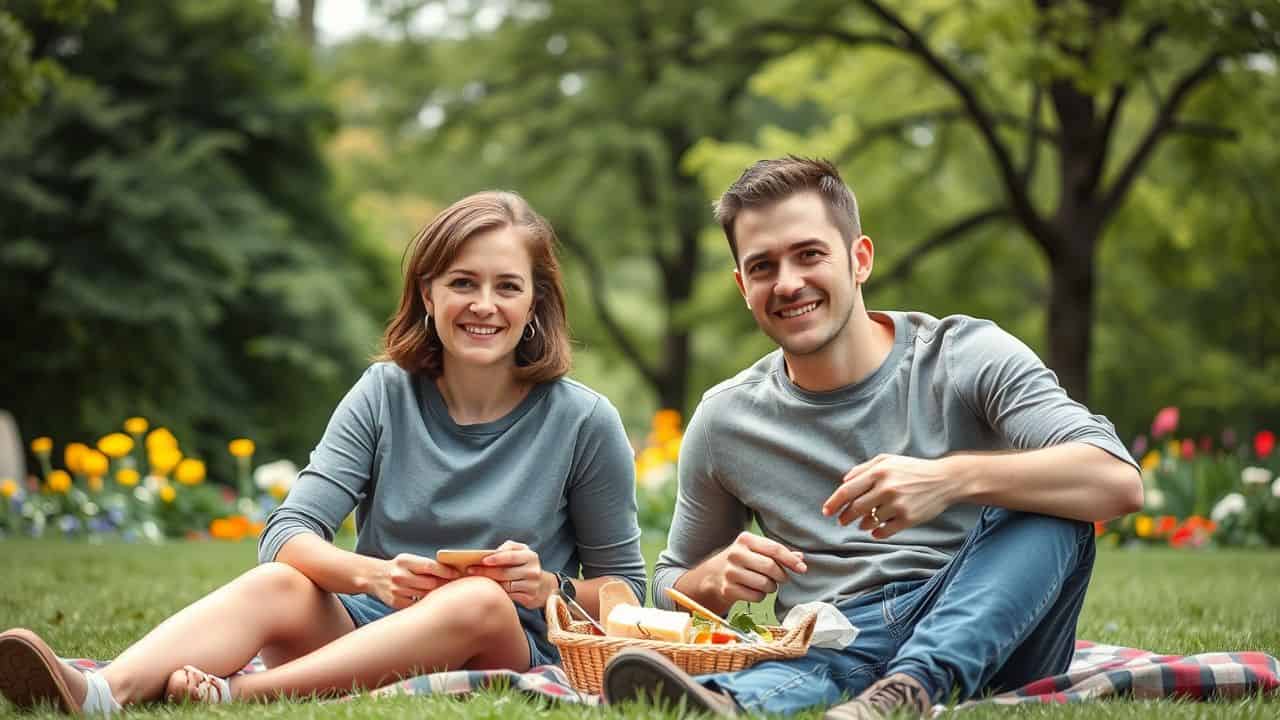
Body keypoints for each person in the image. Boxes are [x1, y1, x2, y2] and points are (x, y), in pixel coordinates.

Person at [0, 191, 646, 714]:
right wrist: (372, 576)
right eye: (461, 283)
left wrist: (547, 587)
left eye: (507, 286)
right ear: (428, 294)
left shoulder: (583, 420)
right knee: (279, 581)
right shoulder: (383, 393)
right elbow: (285, 533)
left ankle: (236, 695)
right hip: (362, 632)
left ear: (536, 301)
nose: (483, 305)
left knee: (478, 599)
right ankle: (100, 694)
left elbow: (627, 595)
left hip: (500, 642)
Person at [601, 157, 1142, 719]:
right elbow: (666, 585)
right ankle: (731, 703)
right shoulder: (726, 419)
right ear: (743, 286)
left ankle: (911, 685)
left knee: (1049, 508)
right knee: (823, 654)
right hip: (837, 634)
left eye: (810, 254)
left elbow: (1116, 480)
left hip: (991, 629)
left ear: (859, 259)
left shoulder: (965, 356)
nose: (788, 283)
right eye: (763, 266)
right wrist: (712, 579)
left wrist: (951, 479)